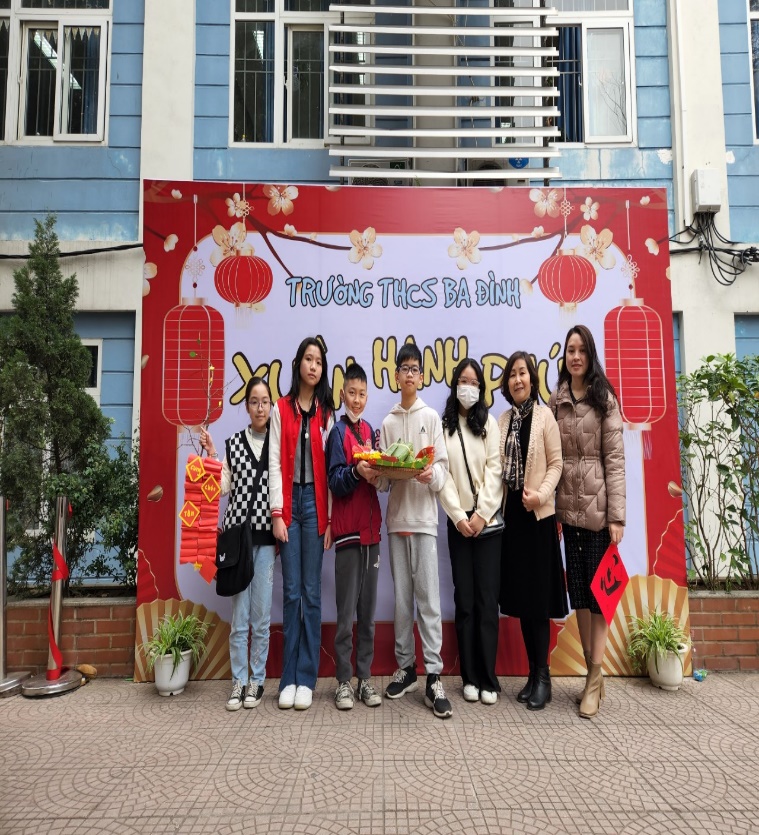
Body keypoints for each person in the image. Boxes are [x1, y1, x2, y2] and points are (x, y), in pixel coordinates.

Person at [550, 325, 625, 719]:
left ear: (590, 354)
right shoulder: (557, 400)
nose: (575, 356)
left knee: (599, 599)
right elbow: (550, 456)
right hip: (568, 511)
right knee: (579, 595)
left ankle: (595, 678)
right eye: (569, 350)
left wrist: (617, 516)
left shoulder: (605, 399)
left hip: (598, 515)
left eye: (581, 350)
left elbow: (614, 460)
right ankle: (590, 668)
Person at [379, 343, 452, 719]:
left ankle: (434, 675)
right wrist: (374, 472)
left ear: (421, 376)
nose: (409, 374)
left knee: (429, 600)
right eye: (403, 368)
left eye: (414, 368)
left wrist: (431, 474)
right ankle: (406, 668)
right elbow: (383, 480)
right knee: (402, 600)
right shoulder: (388, 422)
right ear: (396, 376)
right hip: (396, 522)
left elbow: (442, 469)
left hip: (424, 521)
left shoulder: (432, 417)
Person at [200, 377, 276, 712]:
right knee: (240, 617)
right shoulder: (233, 444)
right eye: (254, 402)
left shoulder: (278, 445)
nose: (260, 408)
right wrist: (212, 454)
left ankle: (256, 681)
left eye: (265, 401)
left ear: (271, 406)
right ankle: (238, 680)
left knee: (261, 616)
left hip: (266, 541)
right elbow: (222, 487)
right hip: (237, 542)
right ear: (246, 407)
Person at [499, 352, 568, 711]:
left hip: (538, 520)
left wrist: (540, 495)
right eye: (511, 375)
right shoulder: (503, 420)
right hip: (513, 523)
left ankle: (544, 677)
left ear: (532, 378)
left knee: (539, 603)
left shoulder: (545, 418)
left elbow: (557, 464)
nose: (517, 380)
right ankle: (531, 673)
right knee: (524, 602)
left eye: (522, 373)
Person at [269, 336, 335, 711]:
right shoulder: (280, 409)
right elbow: (276, 465)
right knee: (291, 592)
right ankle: (288, 676)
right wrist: (278, 514)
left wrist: (326, 519)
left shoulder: (327, 413)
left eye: (319, 361)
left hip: (315, 505)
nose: (313, 366)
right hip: (290, 503)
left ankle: (307, 677)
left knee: (311, 592)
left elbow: (329, 469)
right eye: (308, 359)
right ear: (298, 365)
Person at [438, 358, 503, 705]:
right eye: (463, 380)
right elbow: (442, 474)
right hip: (458, 525)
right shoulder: (444, 425)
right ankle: (469, 677)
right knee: (464, 602)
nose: (468, 387)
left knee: (486, 602)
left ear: (481, 388)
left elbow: (495, 471)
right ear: (454, 385)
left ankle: (488, 678)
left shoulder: (489, 424)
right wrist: (459, 516)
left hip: (488, 526)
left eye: (474, 382)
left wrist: (480, 515)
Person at [326, 363, 383, 710]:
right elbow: (334, 479)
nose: (357, 399)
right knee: (346, 614)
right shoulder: (338, 433)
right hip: (347, 534)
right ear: (343, 393)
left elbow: (376, 474)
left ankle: (365, 680)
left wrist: (377, 474)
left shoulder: (370, 431)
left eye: (362, 394)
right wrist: (356, 471)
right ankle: (343, 682)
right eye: (352, 393)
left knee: (369, 613)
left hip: (372, 533)